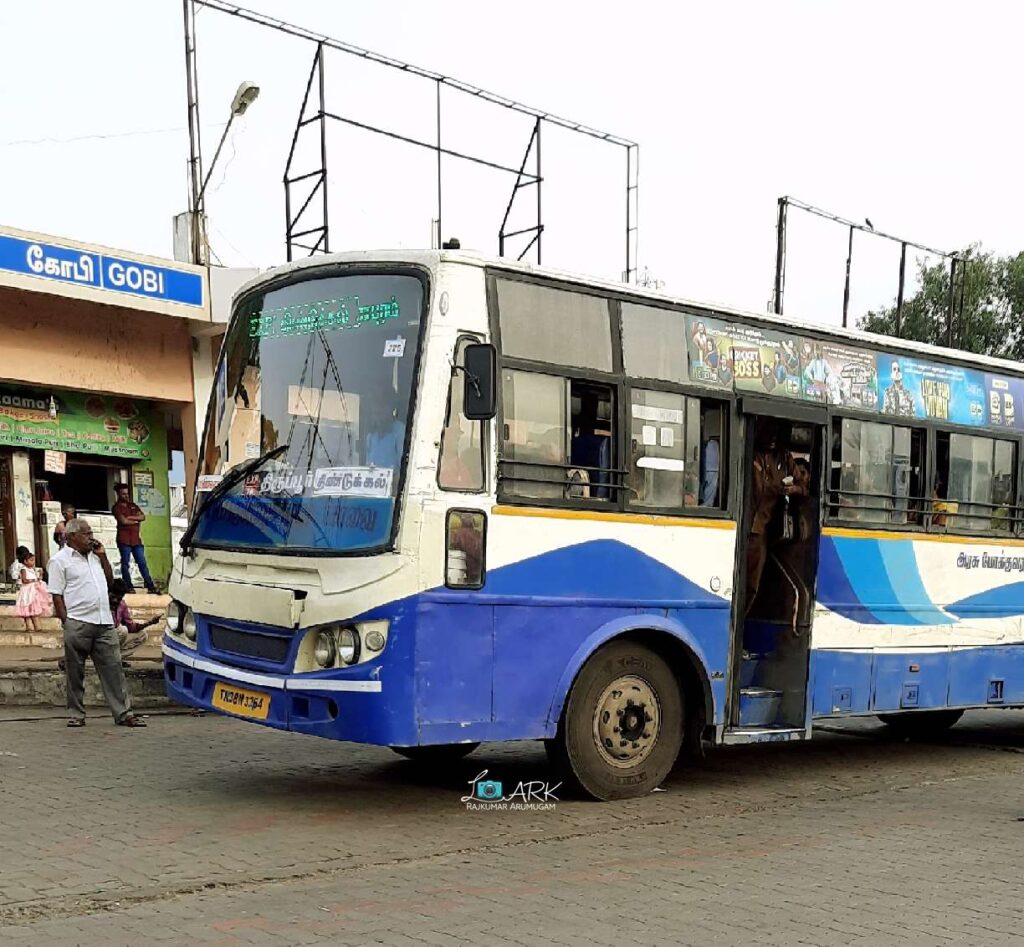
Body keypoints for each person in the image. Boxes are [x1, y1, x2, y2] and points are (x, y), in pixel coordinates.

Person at [48, 518, 147, 728]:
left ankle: (124, 713)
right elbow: (56, 595)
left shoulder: (95, 557)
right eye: (86, 534)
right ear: (72, 536)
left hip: (104, 621)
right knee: (75, 672)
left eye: (91, 533)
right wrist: (66, 621)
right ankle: (76, 714)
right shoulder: (59, 560)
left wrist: (102, 556)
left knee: (114, 669)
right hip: (78, 622)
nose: (90, 538)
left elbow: (110, 582)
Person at [746, 421, 806, 614]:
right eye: (767, 431)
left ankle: (741, 621)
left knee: (752, 584)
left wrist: (794, 489)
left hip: (763, 530)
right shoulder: (748, 452)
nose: (772, 437)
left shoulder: (784, 458)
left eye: (775, 432)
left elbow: (807, 488)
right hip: (741, 525)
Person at [112, 484, 157, 594]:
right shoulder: (116, 507)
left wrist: (130, 518)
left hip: (136, 540)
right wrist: (135, 520)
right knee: (125, 563)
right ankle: (128, 586)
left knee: (142, 563)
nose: (126, 496)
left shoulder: (133, 505)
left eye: (127, 493)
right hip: (124, 540)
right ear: (118, 494)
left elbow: (143, 517)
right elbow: (123, 521)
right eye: (123, 494)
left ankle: (150, 586)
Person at [109, 579, 158, 668]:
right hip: (101, 636)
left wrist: (150, 622)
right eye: (113, 597)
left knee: (142, 635)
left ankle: (116, 658)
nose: (115, 600)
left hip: (114, 636)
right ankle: (106, 657)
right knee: (122, 630)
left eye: (119, 598)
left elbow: (131, 627)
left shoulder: (122, 605)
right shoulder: (101, 603)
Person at [13, 549, 51, 633]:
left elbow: (38, 578)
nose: (33, 562)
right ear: (25, 561)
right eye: (31, 560)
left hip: (33, 591)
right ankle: (29, 627)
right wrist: (33, 580)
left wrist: (40, 575)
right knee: (27, 609)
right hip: (27, 592)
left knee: (34, 610)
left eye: (33, 560)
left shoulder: (33, 569)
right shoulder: (23, 569)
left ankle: (37, 626)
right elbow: (24, 580)